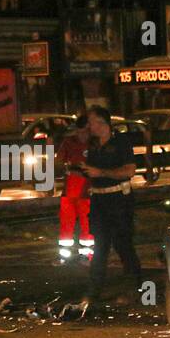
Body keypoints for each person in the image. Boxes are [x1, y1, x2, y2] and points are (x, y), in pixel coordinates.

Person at [71, 105, 142, 301]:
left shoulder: (121, 142)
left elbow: (129, 170)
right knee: (100, 245)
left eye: (91, 122)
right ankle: (94, 290)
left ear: (102, 122)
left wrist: (100, 173)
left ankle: (134, 285)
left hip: (119, 199)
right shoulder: (93, 144)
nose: (89, 126)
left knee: (123, 243)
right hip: (99, 200)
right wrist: (81, 170)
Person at [54, 115, 94, 263]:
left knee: (87, 224)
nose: (83, 135)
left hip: (87, 191)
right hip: (70, 189)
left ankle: (87, 255)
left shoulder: (95, 144)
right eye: (80, 132)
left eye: (86, 132)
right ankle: (65, 255)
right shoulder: (69, 142)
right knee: (66, 223)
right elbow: (58, 162)